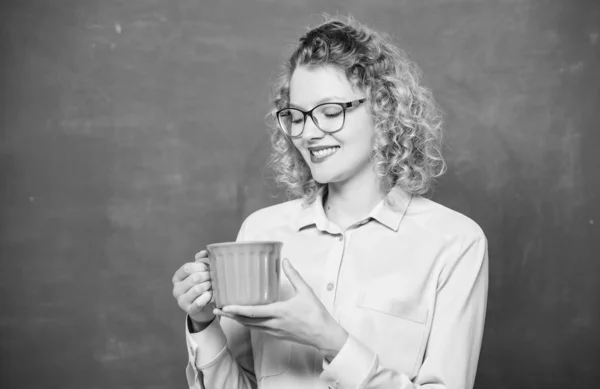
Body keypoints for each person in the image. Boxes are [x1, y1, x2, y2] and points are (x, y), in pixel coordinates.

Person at [172, 14, 488, 389]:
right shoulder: (262, 231)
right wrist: (203, 323)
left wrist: (329, 339)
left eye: (330, 111)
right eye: (297, 116)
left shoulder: (455, 243)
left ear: (384, 110)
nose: (308, 133)